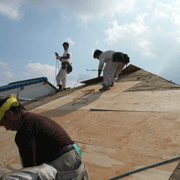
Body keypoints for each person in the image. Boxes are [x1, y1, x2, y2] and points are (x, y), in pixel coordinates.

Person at [0, 94, 89, 180]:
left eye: (4, 124)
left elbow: (29, 169)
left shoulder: (25, 129)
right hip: (78, 171)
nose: (7, 128)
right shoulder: (34, 119)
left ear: (9, 114)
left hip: (65, 172)